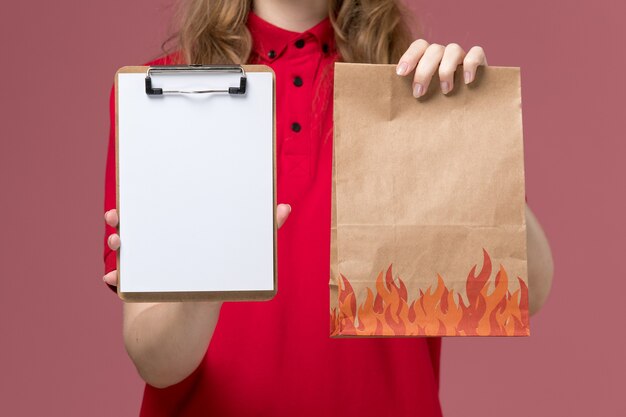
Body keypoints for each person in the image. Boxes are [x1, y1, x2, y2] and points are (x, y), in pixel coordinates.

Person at [102, 0, 555, 415]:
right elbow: (156, 362)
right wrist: (216, 274)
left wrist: (470, 131)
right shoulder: (162, 95)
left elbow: (529, 287)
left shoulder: (413, 89)